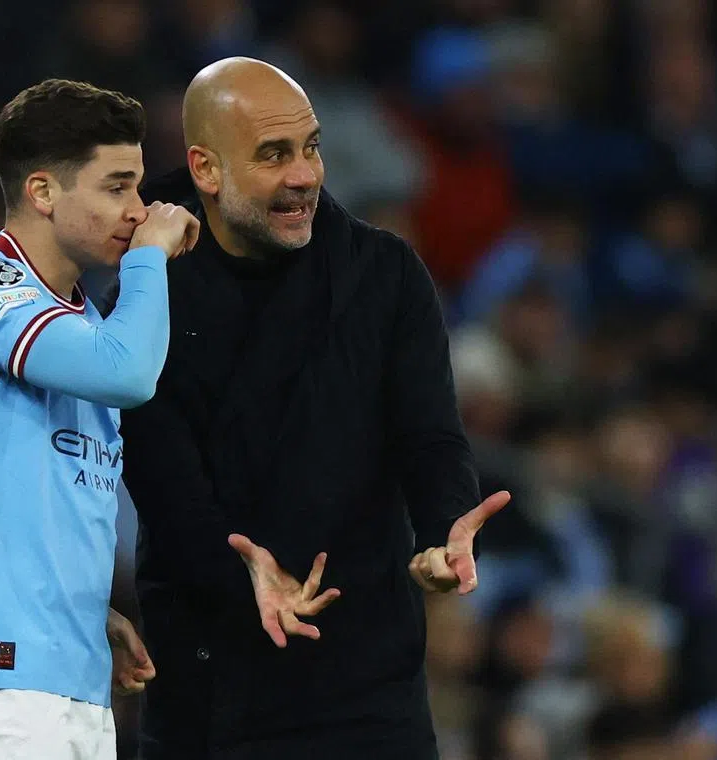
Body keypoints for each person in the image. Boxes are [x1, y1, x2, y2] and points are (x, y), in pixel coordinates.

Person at [120, 58, 509, 759]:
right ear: (206, 169)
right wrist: (242, 575)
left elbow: (430, 437)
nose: (305, 175)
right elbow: (164, 481)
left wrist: (444, 528)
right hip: (212, 687)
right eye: (274, 155)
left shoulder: (385, 274)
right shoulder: (140, 282)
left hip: (367, 684)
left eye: (311, 147)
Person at [0, 78, 200, 760]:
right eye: (116, 186)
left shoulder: (85, 326)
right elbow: (127, 374)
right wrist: (151, 255)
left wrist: (88, 614)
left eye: (139, 186)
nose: (140, 209)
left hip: (71, 686)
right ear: (42, 192)